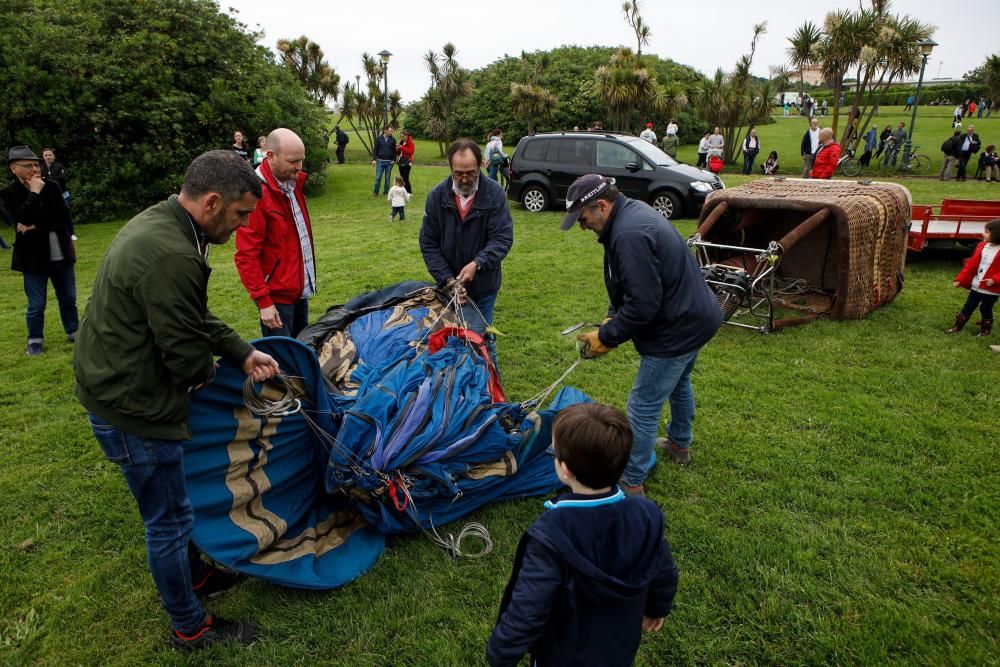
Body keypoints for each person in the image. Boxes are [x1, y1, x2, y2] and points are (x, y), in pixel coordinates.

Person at [73, 150, 280, 650]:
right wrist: (212, 375)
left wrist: (242, 350)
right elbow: (187, 357)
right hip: (133, 406)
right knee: (168, 522)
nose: (241, 225)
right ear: (212, 203)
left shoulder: (167, 225)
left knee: (176, 504)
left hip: (116, 385)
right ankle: (191, 626)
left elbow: (189, 316)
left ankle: (196, 577)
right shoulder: (173, 253)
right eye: (240, 215)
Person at [485, 402, 679, 667]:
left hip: (561, 655)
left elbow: (528, 609)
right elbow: (664, 570)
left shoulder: (550, 535)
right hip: (618, 649)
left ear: (564, 469)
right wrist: (658, 608)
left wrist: (500, 655)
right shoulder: (646, 515)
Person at [562, 174, 722, 493]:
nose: (582, 226)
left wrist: (607, 337)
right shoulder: (627, 216)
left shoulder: (629, 233)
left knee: (643, 404)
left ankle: (632, 481)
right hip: (697, 317)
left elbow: (644, 305)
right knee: (679, 384)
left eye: (583, 219)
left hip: (678, 327)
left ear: (602, 205)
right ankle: (679, 445)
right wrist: (611, 316)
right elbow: (625, 281)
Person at [419, 138, 513, 330]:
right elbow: (429, 243)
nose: (464, 179)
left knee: (482, 337)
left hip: (484, 286)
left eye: (470, 173)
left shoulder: (494, 194)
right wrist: (448, 281)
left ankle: (489, 358)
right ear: (450, 167)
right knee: (450, 338)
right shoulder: (437, 196)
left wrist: (477, 264)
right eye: (458, 174)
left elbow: (502, 238)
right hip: (448, 288)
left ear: (480, 166)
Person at [234, 128, 317, 338]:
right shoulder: (256, 195)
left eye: (301, 160)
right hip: (277, 298)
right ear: (270, 156)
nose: (299, 167)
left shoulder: (292, 183)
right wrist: (263, 302)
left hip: (298, 290)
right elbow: (246, 254)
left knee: (302, 350)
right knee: (281, 360)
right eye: (292, 161)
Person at [0, 146, 78, 356]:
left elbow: (63, 218)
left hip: (60, 252)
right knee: (36, 304)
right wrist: (34, 192)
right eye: (29, 165)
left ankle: (73, 331)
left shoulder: (52, 186)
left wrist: (36, 226)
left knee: (69, 298)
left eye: (36, 164)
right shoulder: (9, 193)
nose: (35, 169)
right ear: (14, 168)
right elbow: (20, 219)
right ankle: (35, 339)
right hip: (33, 259)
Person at [945, 219, 1000, 338]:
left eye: (986, 232)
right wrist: (960, 279)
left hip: (991, 290)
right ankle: (957, 326)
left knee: (985, 308)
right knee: (968, 306)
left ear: (996, 234)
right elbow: (971, 266)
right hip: (976, 285)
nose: (983, 234)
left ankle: (985, 330)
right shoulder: (981, 246)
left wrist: (995, 279)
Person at [41, 147, 74, 237]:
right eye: (46, 155)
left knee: (66, 214)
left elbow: (62, 179)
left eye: (50, 155)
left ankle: (71, 233)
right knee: (52, 215)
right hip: (49, 196)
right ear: (43, 157)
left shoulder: (59, 166)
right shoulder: (42, 168)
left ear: (54, 156)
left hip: (63, 194)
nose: (48, 157)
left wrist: (46, 179)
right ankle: (56, 232)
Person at [371, 125, 396, 196]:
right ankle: (376, 192)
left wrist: (393, 160)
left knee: (387, 178)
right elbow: (375, 150)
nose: (391, 132)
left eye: (392, 131)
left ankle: (386, 192)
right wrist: (374, 159)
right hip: (380, 161)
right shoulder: (378, 139)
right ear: (385, 130)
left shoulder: (393, 140)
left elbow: (394, 151)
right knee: (378, 178)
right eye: (390, 131)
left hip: (389, 162)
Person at [396, 129, 415, 193]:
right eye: (401, 137)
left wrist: (402, 147)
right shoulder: (401, 142)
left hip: (407, 162)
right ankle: (404, 192)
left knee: (405, 178)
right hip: (401, 162)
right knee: (402, 178)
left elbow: (410, 152)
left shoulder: (411, 143)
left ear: (407, 136)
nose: (402, 138)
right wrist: (397, 149)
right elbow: (399, 153)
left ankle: (409, 192)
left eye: (403, 137)